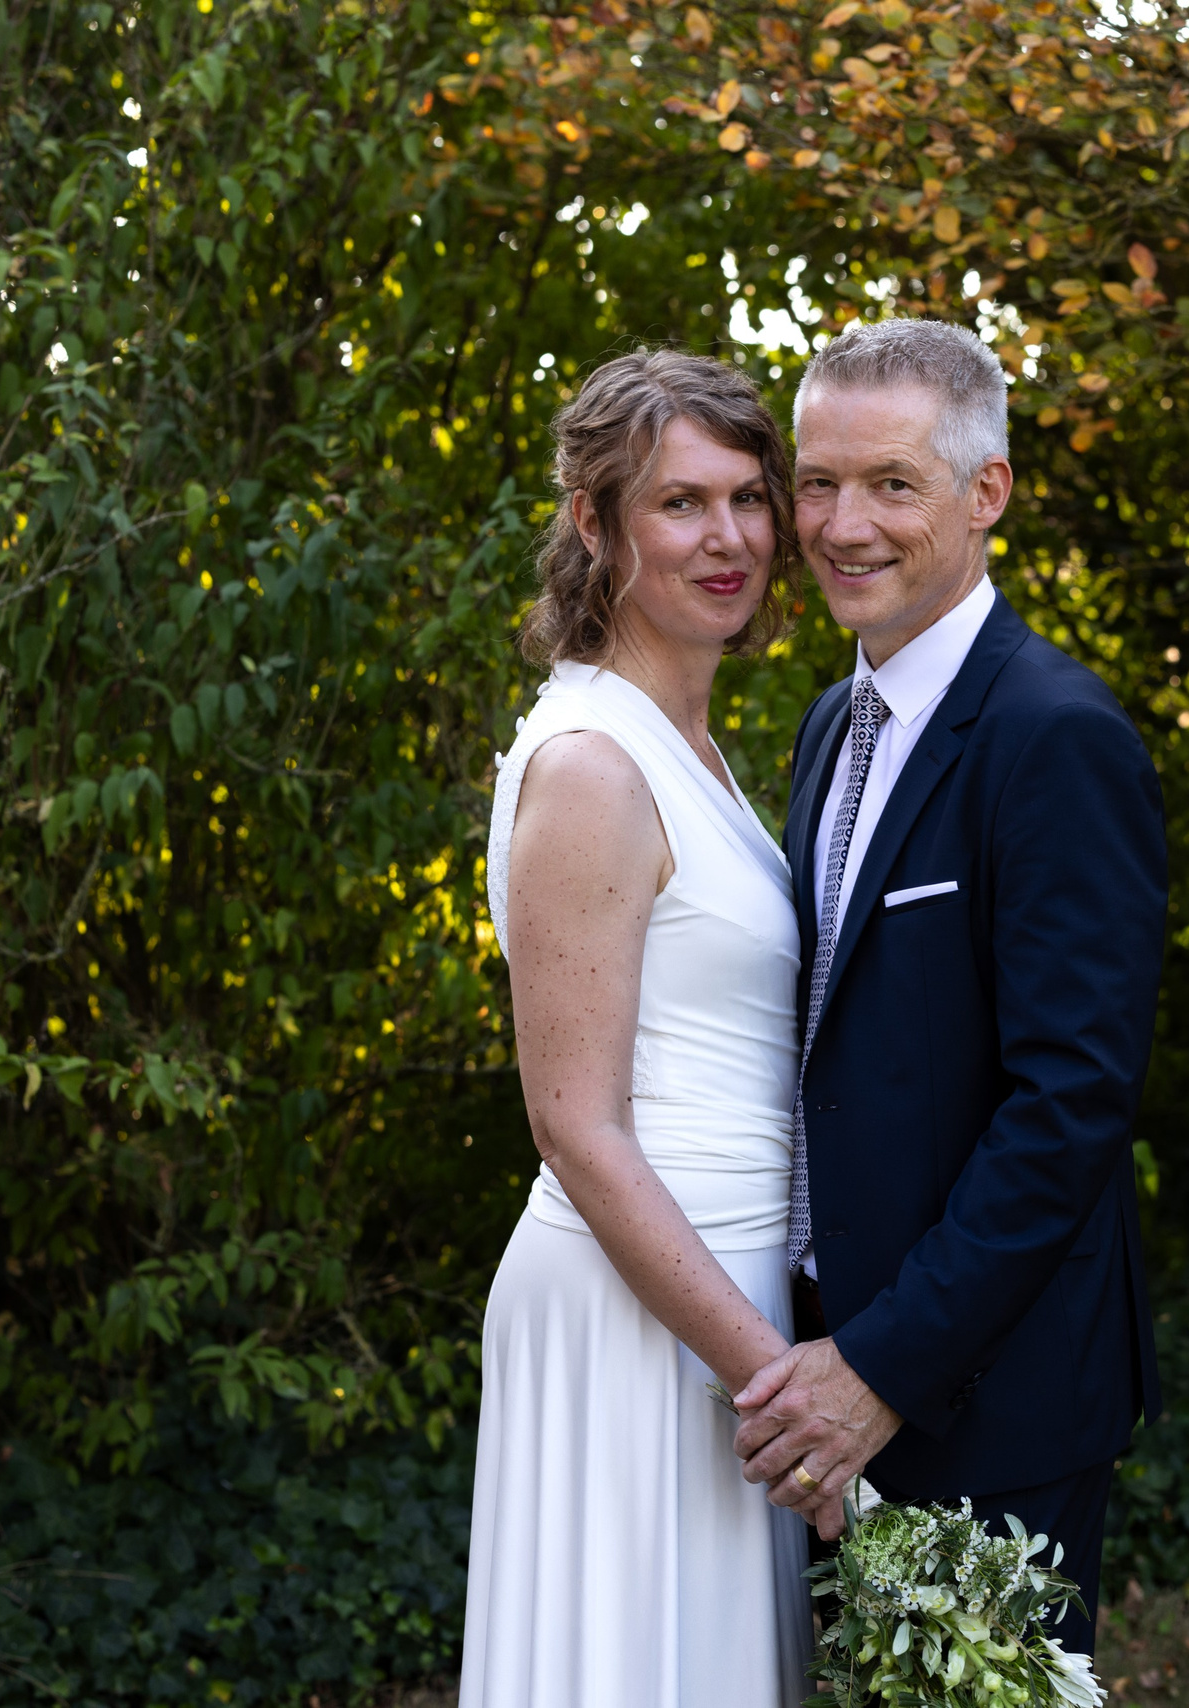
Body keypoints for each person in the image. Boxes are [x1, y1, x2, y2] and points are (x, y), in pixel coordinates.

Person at [729, 318, 1169, 1656]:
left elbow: (1070, 1110)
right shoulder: (828, 723)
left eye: (891, 484)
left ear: (987, 494)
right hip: (827, 1384)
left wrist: (882, 1368)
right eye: (817, 482)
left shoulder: (1055, 736)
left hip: (991, 1399)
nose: (841, 524)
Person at [458, 350, 812, 1706]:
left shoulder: (694, 746)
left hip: (721, 1298)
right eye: (680, 504)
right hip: (640, 1317)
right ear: (596, 526)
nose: (726, 539)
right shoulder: (594, 767)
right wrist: (776, 1387)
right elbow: (576, 1125)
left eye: (746, 497)